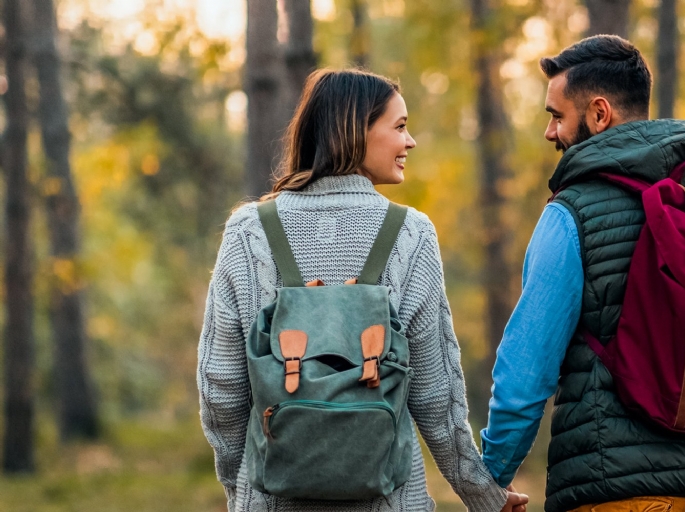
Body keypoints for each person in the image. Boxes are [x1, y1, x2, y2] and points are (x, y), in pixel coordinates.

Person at [480, 36, 685, 512]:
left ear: (598, 113)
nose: (550, 133)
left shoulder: (572, 214)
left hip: (618, 495)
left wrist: (488, 484)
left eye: (556, 116)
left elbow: (524, 375)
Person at [197, 69, 528, 512]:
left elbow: (221, 388)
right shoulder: (410, 234)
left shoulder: (249, 231)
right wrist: (483, 495)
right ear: (354, 131)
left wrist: (244, 487)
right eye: (400, 127)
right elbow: (436, 394)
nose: (410, 142)